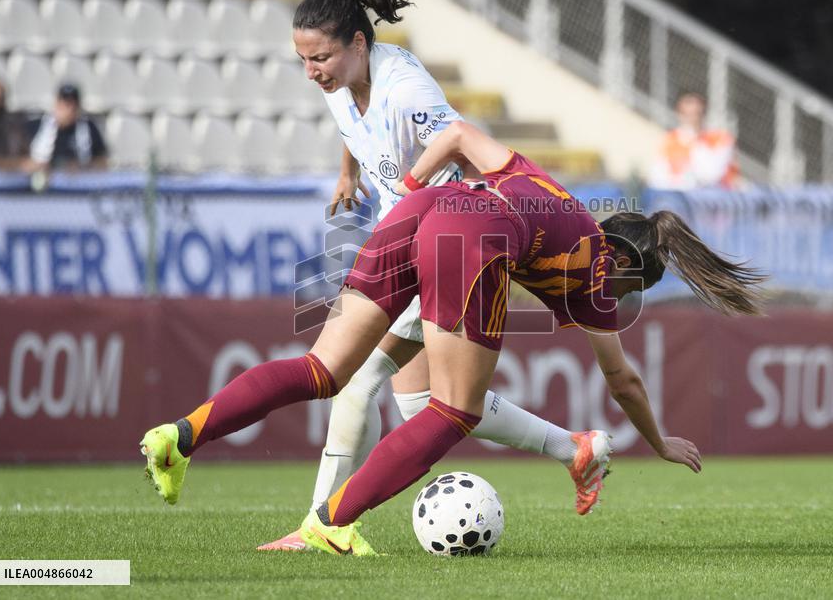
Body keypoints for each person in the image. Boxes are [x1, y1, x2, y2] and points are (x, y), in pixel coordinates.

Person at [139, 120, 765, 556]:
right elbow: (622, 379)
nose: (620, 301)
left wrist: (412, 192)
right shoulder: (598, 271)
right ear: (626, 262)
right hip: (470, 241)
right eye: (632, 289)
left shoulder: (549, 189)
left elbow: (461, 135)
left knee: (323, 370)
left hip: (418, 211)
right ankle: (330, 524)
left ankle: (178, 437)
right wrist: (658, 442)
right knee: (453, 410)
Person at [252, 0, 616, 551]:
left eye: (319, 58)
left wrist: (452, 214)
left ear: (358, 44)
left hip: (444, 246)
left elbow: (460, 143)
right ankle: (572, 447)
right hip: (408, 240)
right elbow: (352, 126)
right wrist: (348, 174)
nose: (311, 70)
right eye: (304, 59)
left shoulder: (407, 90)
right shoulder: (342, 79)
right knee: (423, 401)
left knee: (357, 381)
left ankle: (321, 525)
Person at [648, 92, 738, 190]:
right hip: (679, 192)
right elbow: (658, 176)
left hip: (716, 192)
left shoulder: (719, 138)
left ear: (703, 114)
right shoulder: (670, 140)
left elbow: (711, 175)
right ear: (679, 115)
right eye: (687, 114)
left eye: (696, 114)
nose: (692, 119)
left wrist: (695, 141)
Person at [25, 83, 108, 175]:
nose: (68, 110)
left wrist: (82, 166)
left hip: (79, 180)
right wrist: (37, 165)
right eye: (65, 104)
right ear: (56, 104)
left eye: (73, 105)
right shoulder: (37, 126)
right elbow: (19, 161)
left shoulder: (89, 128)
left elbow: (103, 161)